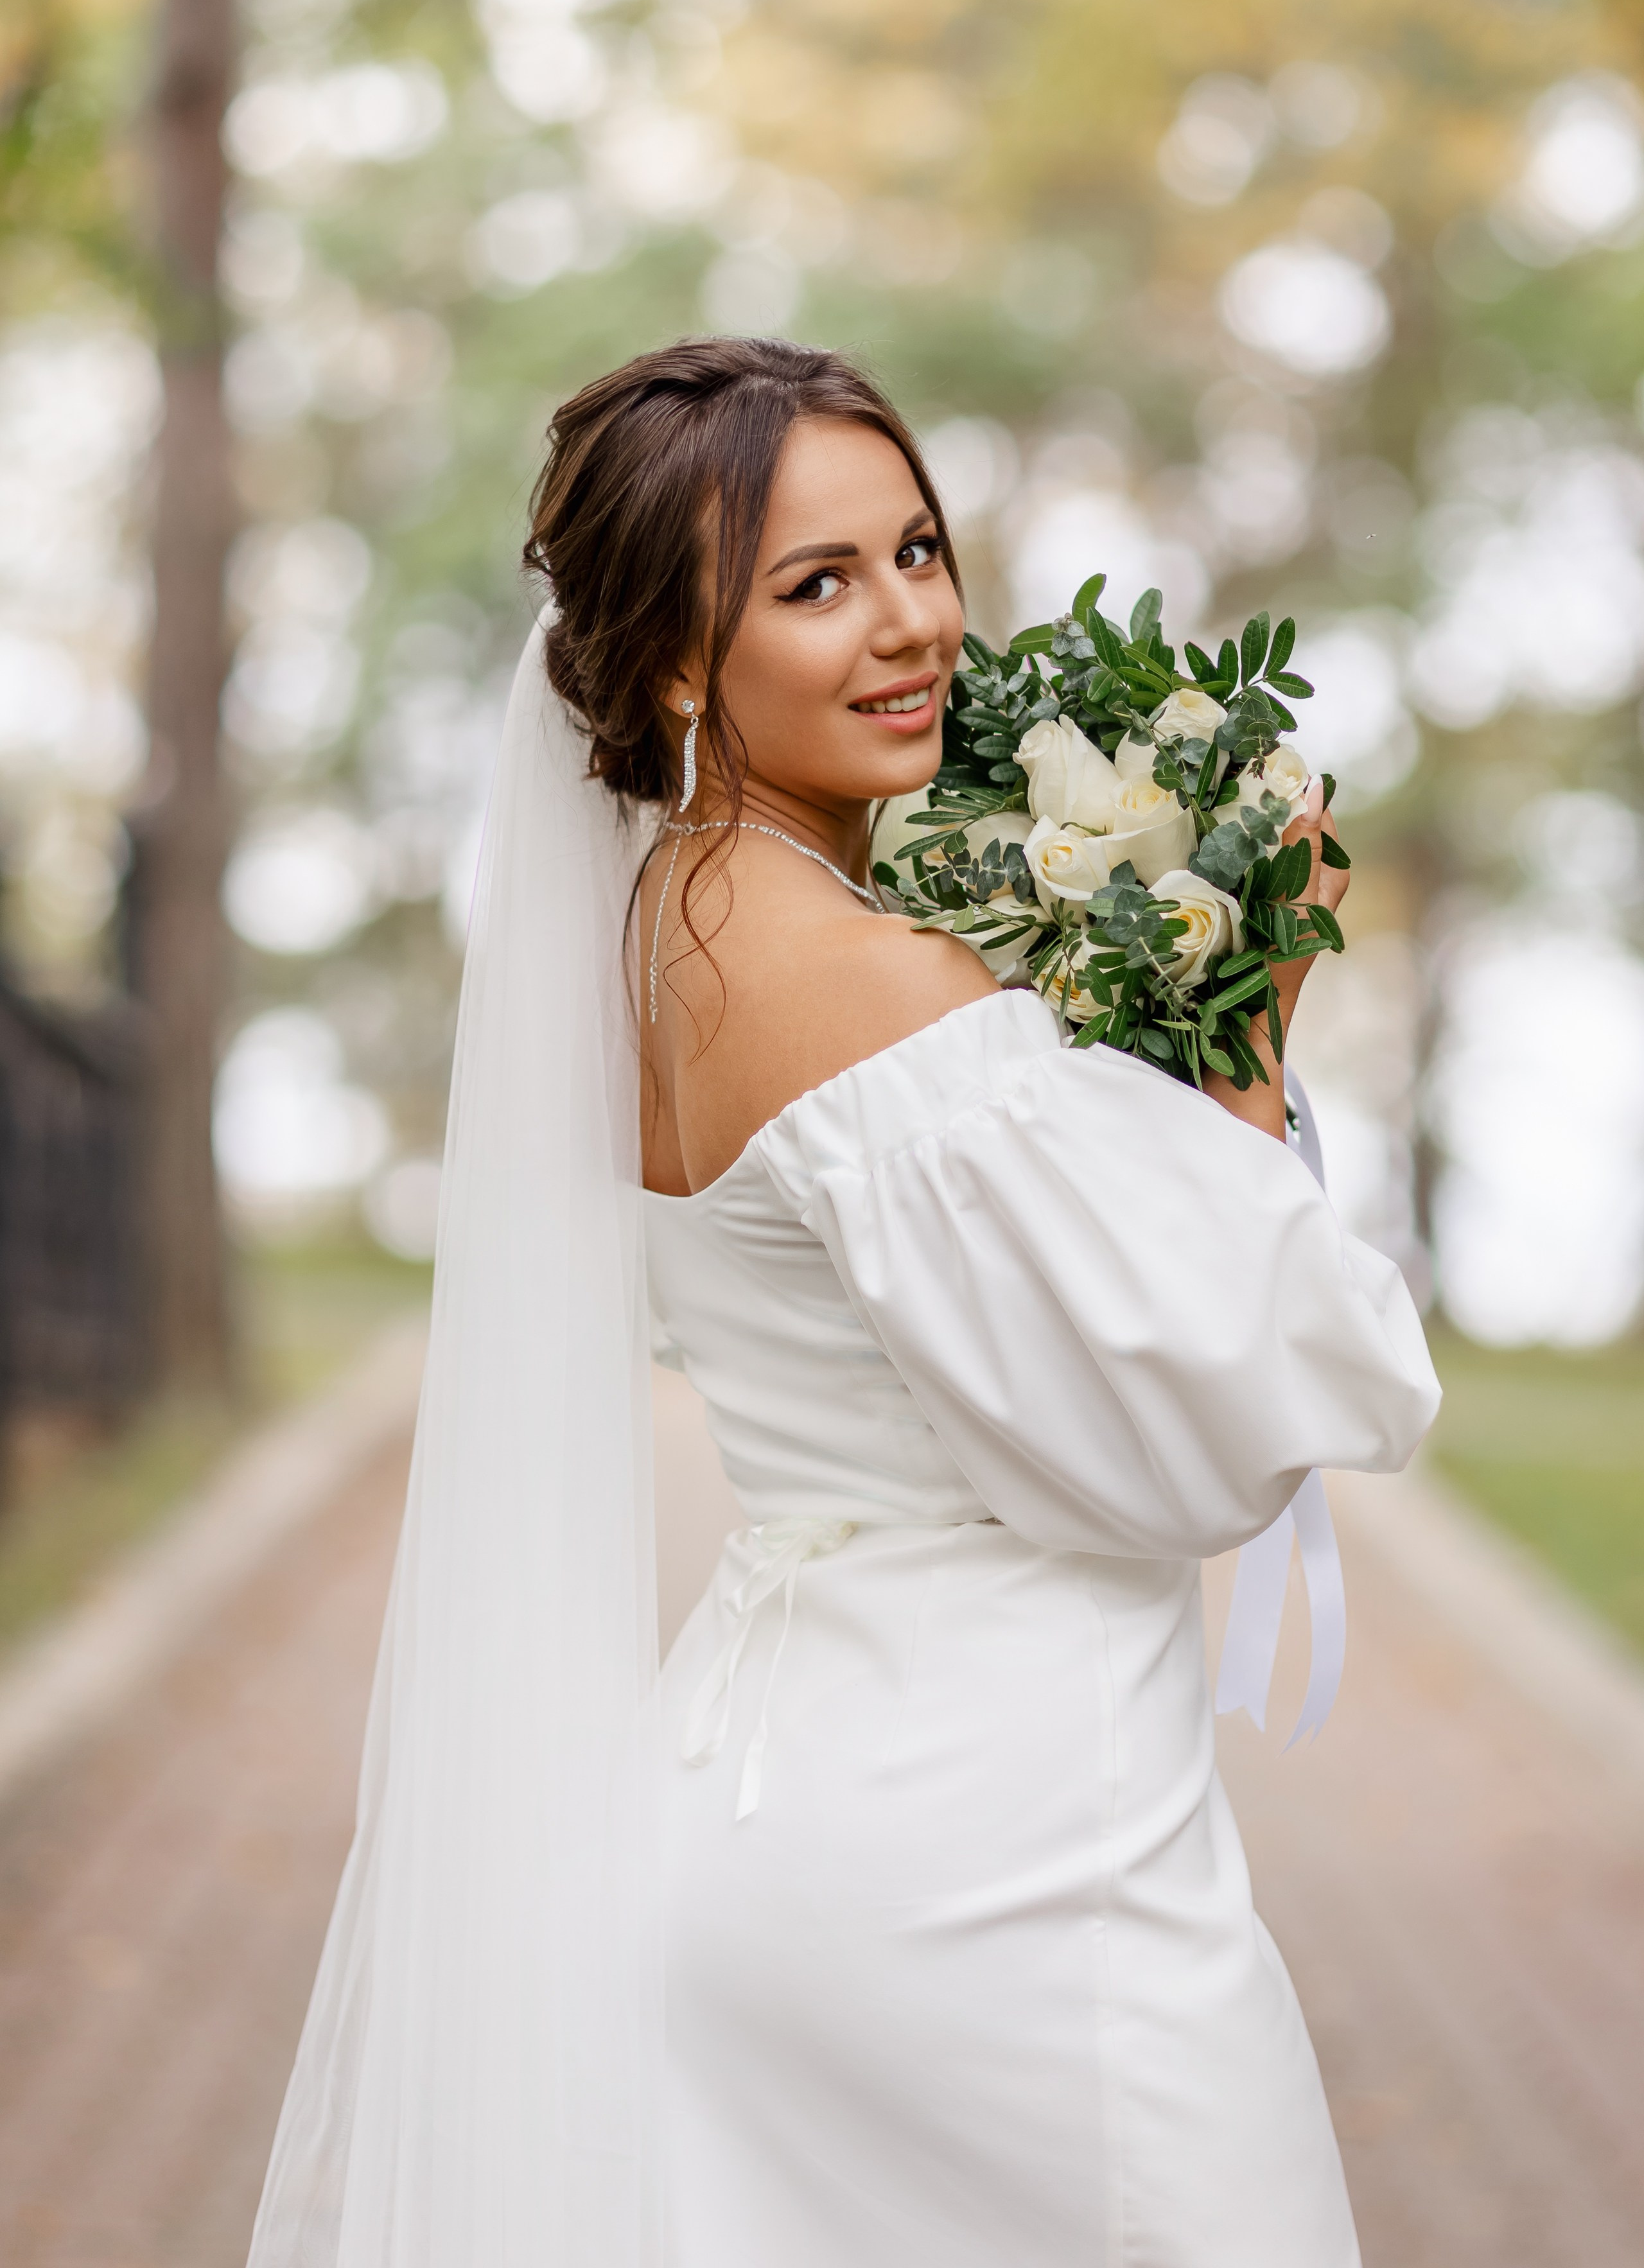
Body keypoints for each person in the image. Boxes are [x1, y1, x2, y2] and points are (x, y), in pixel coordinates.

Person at [247, 339, 1439, 2268]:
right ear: (669, 666)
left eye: (916, 550)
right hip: (1004, 1860)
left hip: (774, 1779)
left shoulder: (669, 927)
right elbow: (1213, 1424)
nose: (911, 627)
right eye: (816, 586)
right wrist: (1250, 1017)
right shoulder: (852, 984)